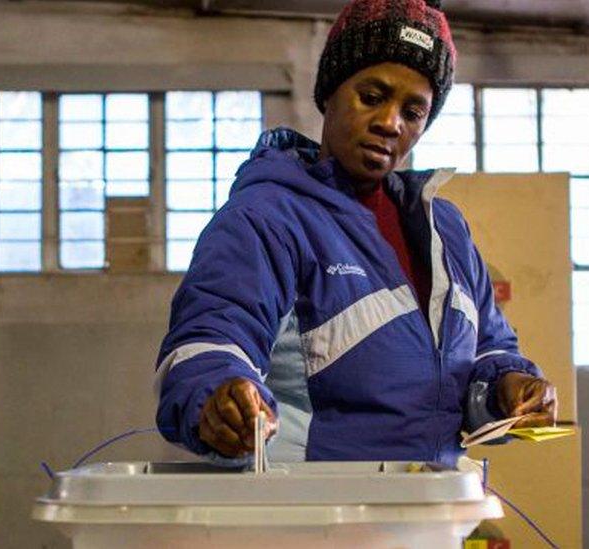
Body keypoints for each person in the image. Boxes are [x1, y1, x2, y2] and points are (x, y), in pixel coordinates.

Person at [155, 0, 556, 466]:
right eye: (372, 96)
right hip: (316, 517)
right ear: (330, 92)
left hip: (430, 512)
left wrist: (510, 386)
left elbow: (489, 348)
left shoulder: (445, 230)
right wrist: (217, 395)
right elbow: (212, 337)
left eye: (413, 111)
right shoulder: (267, 218)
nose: (390, 123)